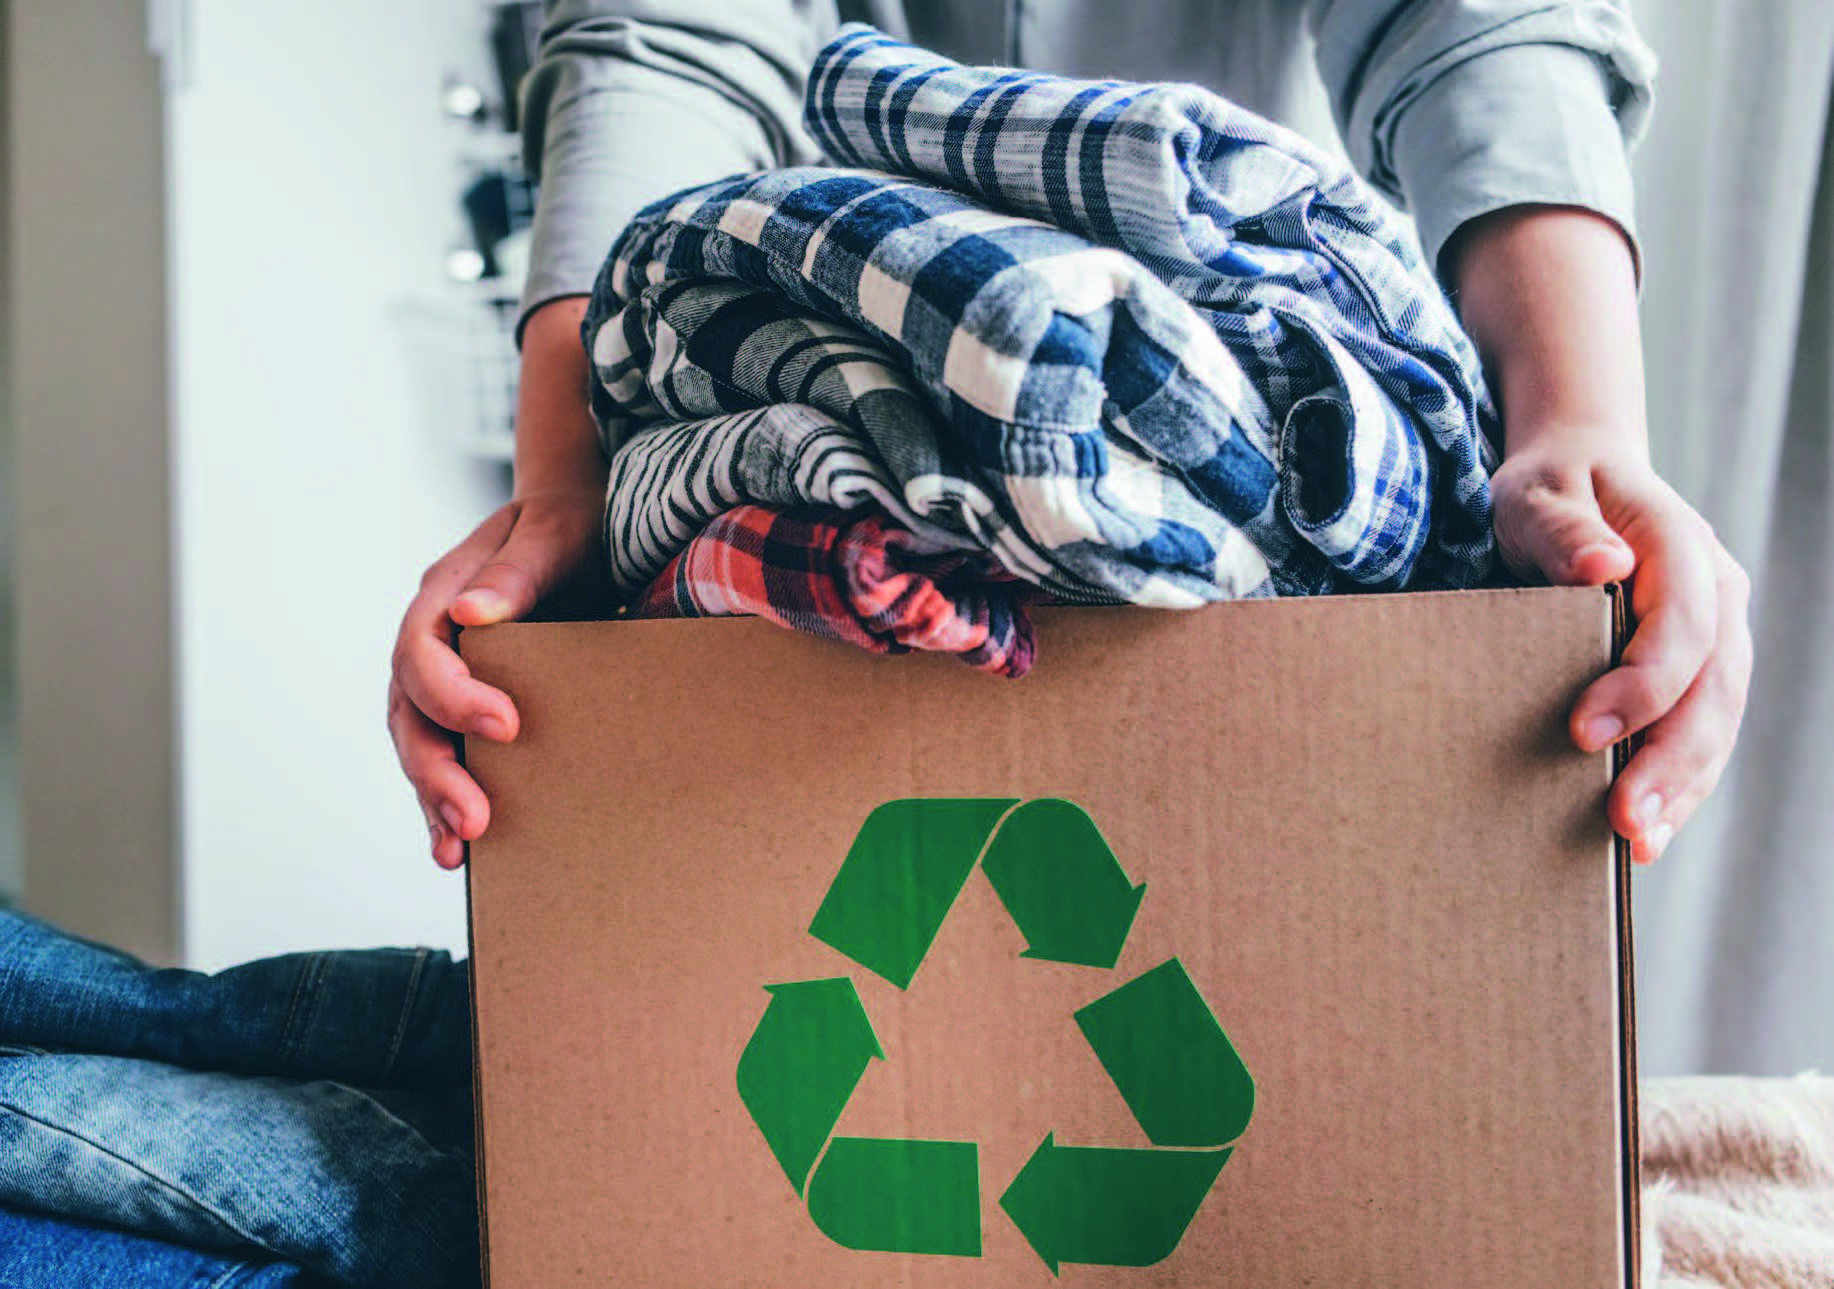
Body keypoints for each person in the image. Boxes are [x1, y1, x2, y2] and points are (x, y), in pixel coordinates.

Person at [389, 0, 1752, 871]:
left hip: (1262, 491)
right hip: (823, 391)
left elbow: (1467, 22)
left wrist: (1576, 434)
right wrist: (571, 488)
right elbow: (675, 36)